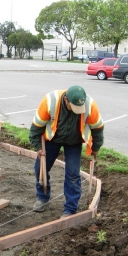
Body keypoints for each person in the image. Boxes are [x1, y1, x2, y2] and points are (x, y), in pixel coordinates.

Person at [29, 85, 104, 217]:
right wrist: (38, 147)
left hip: (74, 142)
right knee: (40, 167)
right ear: (66, 100)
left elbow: (97, 128)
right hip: (52, 139)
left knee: (73, 174)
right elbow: (36, 127)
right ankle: (43, 198)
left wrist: (96, 147)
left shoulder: (90, 105)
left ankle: (70, 208)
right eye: (73, 107)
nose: (77, 111)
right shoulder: (50, 101)